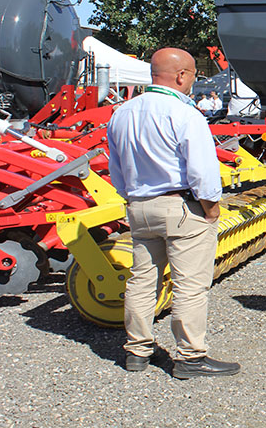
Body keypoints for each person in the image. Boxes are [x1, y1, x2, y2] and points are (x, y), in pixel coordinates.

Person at [107, 47, 240, 379]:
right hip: (181, 207)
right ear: (182, 76)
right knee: (189, 286)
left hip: (140, 206)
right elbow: (202, 172)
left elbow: (116, 169)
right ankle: (190, 357)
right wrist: (211, 209)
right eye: (193, 75)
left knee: (142, 281)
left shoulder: (122, 113)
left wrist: (132, 200)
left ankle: (137, 350)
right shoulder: (185, 115)